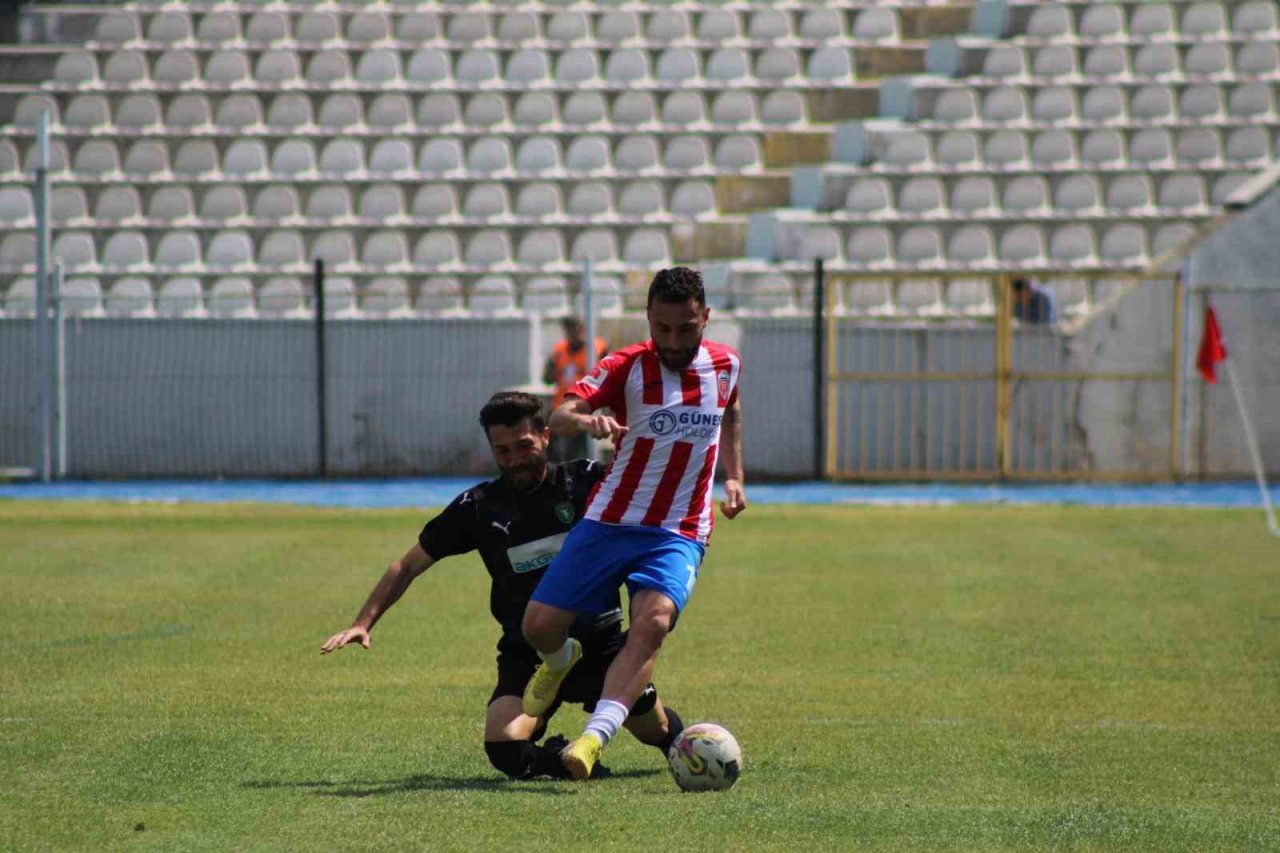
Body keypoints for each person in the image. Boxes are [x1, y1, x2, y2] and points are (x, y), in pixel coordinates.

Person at [320, 391, 684, 781]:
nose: (515, 460)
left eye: (524, 446)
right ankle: (563, 760)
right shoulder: (478, 507)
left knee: (658, 732)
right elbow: (406, 565)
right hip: (529, 653)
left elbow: (653, 502)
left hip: (600, 645)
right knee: (505, 747)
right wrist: (363, 622)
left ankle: (693, 752)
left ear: (546, 436)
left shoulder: (588, 484)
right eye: (503, 451)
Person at [520, 266, 746, 781]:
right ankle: (560, 662)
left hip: (679, 528)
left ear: (705, 318)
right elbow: (559, 416)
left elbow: (731, 412)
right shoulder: (625, 366)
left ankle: (591, 740)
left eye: (686, 329)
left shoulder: (726, 366)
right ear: (649, 319)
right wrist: (588, 420)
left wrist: (735, 479)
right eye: (662, 329)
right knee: (539, 627)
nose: (673, 340)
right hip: (610, 519)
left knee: (653, 622)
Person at [542, 316, 609, 463]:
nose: (573, 334)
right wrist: (552, 373)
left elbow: (610, 376)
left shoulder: (597, 348)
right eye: (569, 330)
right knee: (546, 436)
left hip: (584, 404)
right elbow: (547, 378)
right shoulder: (559, 351)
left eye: (576, 329)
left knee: (578, 448)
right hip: (561, 403)